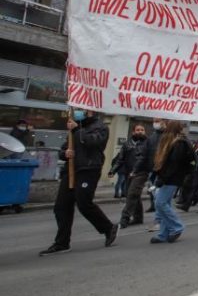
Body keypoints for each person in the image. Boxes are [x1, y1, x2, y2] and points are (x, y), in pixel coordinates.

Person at [39, 109, 117, 255]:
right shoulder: (75, 128)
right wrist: (65, 154)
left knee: (84, 204)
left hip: (89, 169)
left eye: (83, 109)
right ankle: (62, 242)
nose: (79, 111)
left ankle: (108, 228)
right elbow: (63, 150)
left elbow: (93, 142)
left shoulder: (100, 127)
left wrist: (76, 129)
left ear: (91, 111)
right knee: (61, 207)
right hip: (71, 170)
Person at [150, 121, 194, 244]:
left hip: (172, 178)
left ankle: (176, 227)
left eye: (165, 126)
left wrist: (162, 178)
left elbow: (174, 164)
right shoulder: (172, 141)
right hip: (168, 177)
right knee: (165, 205)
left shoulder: (178, 143)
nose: (162, 127)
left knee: (160, 203)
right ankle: (163, 234)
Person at [113, 125, 146, 227]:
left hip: (141, 172)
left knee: (132, 194)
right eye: (137, 130)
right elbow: (120, 158)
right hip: (129, 173)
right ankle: (138, 217)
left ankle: (124, 219)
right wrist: (113, 170)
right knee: (133, 194)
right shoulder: (127, 144)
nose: (140, 132)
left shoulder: (148, 143)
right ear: (133, 132)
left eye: (142, 130)